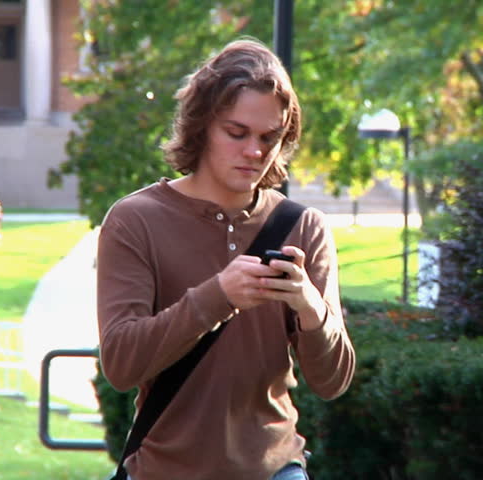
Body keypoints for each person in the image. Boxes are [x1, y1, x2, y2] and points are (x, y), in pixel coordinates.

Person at [97, 38, 356, 480]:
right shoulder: (135, 219)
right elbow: (121, 365)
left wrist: (310, 306)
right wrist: (216, 297)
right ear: (201, 126)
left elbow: (333, 381)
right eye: (236, 133)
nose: (254, 151)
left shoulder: (303, 226)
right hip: (164, 469)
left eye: (269, 137)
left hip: (276, 468)